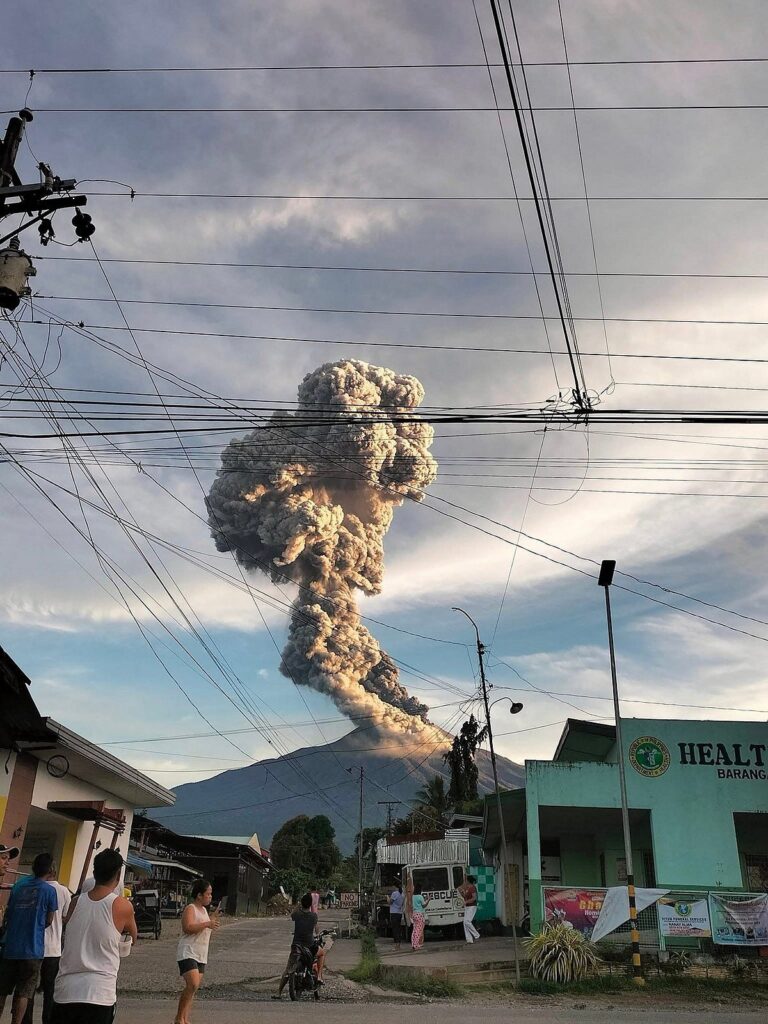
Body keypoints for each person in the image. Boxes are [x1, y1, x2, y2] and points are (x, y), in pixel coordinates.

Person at [51, 848, 137, 1024]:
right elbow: (133, 937)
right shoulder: (122, 906)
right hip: (99, 992)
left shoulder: (75, 901)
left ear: (95, 872)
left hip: (66, 990)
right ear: (118, 875)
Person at [0, 852, 58, 1024]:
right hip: (32, 949)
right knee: (24, 992)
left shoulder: (18, 886)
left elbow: (8, 914)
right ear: (50, 870)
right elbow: (49, 920)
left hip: (10, 946)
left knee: (1, 989)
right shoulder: (50, 891)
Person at [21, 861, 71, 1024]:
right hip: (53, 948)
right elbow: (66, 917)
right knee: (50, 990)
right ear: (54, 871)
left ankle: (26, 1020)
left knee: (28, 989)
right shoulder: (63, 891)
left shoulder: (32, 888)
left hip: (32, 945)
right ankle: (48, 1020)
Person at [174, 879, 219, 1024]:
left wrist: (211, 922)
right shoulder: (190, 908)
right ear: (199, 895)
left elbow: (204, 928)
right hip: (188, 951)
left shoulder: (204, 910)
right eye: (208, 894)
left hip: (201, 953)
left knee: (193, 988)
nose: (210, 897)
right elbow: (188, 927)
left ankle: (185, 1018)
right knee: (192, 984)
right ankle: (179, 1018)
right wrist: (207, 923)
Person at [274, 893, 325, 998]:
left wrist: (298, 906)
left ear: (301, 903)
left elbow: (292, 915)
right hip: (310, 946)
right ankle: (319, 976)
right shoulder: (313, 916)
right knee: (322, 953)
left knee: (288, 969)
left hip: (296, 945)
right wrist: (317, 935)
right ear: (310, 904)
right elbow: (317, 929)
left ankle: (278, 993)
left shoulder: (297, 914)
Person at [458, 875, 480, 944]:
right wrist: (461, 892)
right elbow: (465, 896)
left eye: (465, 880)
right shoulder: (467, 888)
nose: (465, 881)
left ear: (468, 881)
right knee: (465, 922)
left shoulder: (472, 888)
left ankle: (476, 935)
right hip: (467, 907)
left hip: (472, 906)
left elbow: (474, 898)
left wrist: (466, 902)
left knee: (467, 921)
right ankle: (469, 939)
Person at [410, 884, 430, 951]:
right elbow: (424, 905)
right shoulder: (420, 896)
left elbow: (416, 904)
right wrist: (428, 900)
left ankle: (413, 944)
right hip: (420, 914)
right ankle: (416, 945)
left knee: (414, 930)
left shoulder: (413, 896)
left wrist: (425, 899)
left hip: (414, 914)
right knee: (419, 930)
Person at [388, 885, 404, 951]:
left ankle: (397, 946)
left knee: (395, 930)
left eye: (393, 887)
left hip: (394, 913)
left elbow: (390, 902)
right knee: (398, 929)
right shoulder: (402, 894)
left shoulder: (394, 893)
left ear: (396, 887)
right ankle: (399, 945)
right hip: (399, 913)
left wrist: (387, 897)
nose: (392, 888)